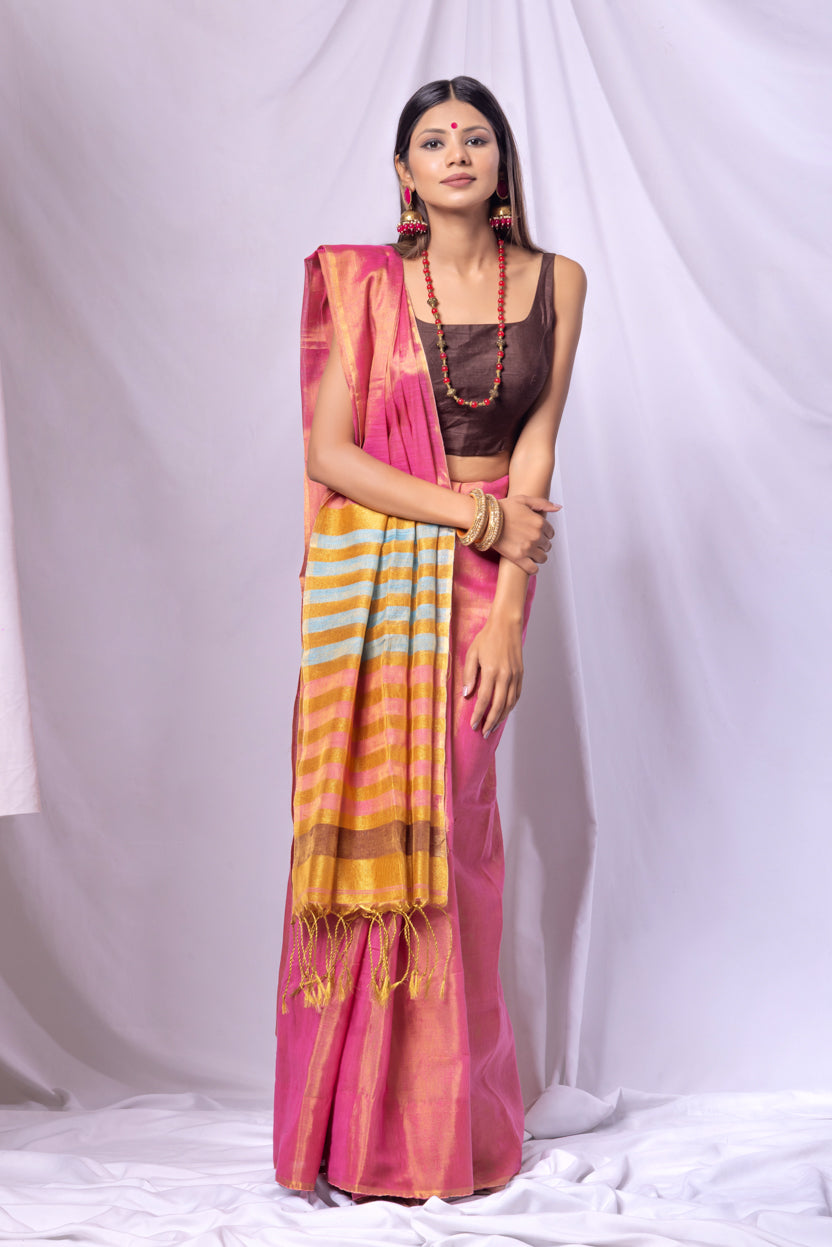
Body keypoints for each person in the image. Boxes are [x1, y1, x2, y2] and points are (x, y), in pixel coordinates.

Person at [273, 75, 586, 1203]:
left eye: (477, 136)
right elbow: (333, 454)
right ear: (405, 172)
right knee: (395, 837)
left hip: (493, 574)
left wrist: (507, 610)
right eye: (434, 139)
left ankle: (453, 1127)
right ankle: (360, 1132)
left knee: (459, 836)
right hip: (387, 573)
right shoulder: (366, 283)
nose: (458, 151)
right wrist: (475, 517)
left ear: (502, 163)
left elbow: (536, 452)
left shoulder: (558, 280)